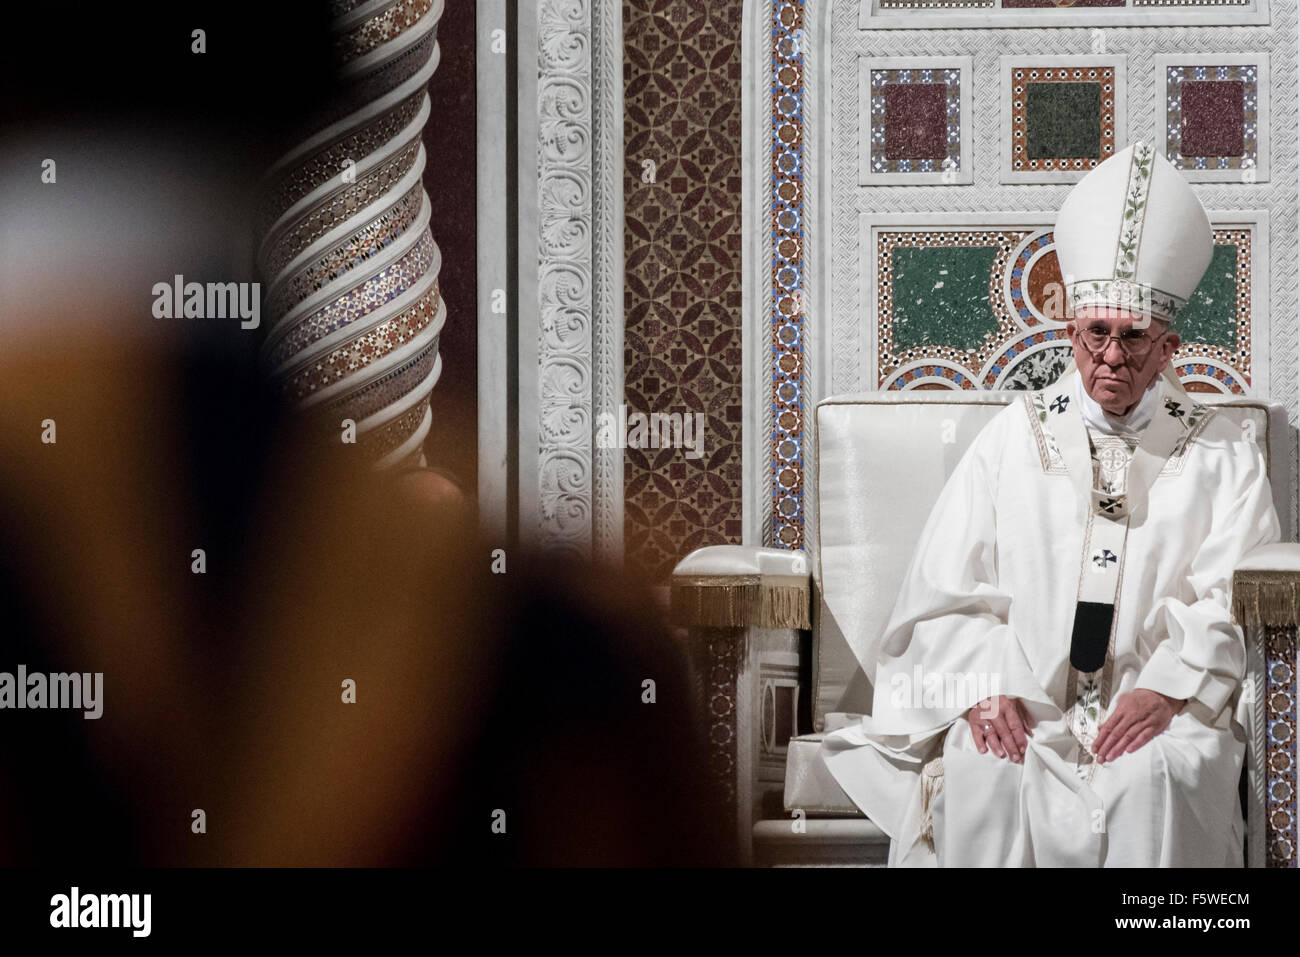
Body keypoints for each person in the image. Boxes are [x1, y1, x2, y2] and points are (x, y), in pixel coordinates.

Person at [819, 140, 1282, 867]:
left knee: (1155, 781)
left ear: (1169, 349)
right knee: (987, 773)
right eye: (1096, 333)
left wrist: (1167, 689)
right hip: (1026, 707)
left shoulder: (1223, 454)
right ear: (1069, 333)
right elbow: (946, 597)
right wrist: (985, 687)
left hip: (1158, 709)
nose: (1112, 356)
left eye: (1134, 338)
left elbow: (1230, 598)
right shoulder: (1012, 439)